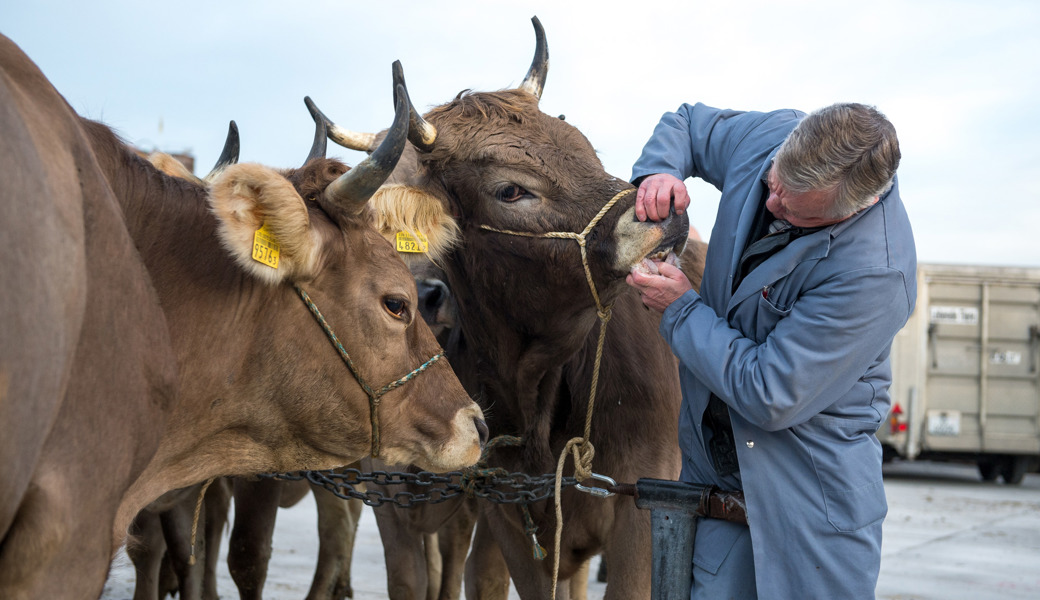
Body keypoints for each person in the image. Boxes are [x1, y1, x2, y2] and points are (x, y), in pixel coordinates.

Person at [626, 102, 916, 599]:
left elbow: (770, 392)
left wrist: (680, 309)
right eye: (773, 183)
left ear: (856, 207)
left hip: (806, 498)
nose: (772, 203)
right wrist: (659, 170)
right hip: (714, 476)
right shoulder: (771, 138)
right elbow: (689, 124)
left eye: (795, 208)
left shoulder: (874, 272)